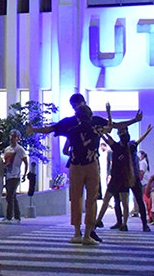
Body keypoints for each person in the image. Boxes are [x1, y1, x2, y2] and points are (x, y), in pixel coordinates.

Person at [27, 104, 112, 245]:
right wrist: (108, 112)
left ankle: (77, 233)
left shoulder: (71, 129)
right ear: (90, 116)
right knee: (91, 200)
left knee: (76, 198)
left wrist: (33, 129)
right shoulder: (96, 128)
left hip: (76, 165)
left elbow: (51, 128)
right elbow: (109, 126)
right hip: (92, 165)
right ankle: (88, 235)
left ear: (77, 116)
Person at [2, 130, 28, 223]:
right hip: (8, 175)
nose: (12, 138)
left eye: (14, 136)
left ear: (18, 138)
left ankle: (9, 217)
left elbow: (25, 161)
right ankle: (17, 216)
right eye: (11, 136)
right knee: (13, 196)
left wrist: (24, 174)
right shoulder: (7, 149)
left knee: (10, 195)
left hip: (15, 175)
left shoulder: (20, 149)